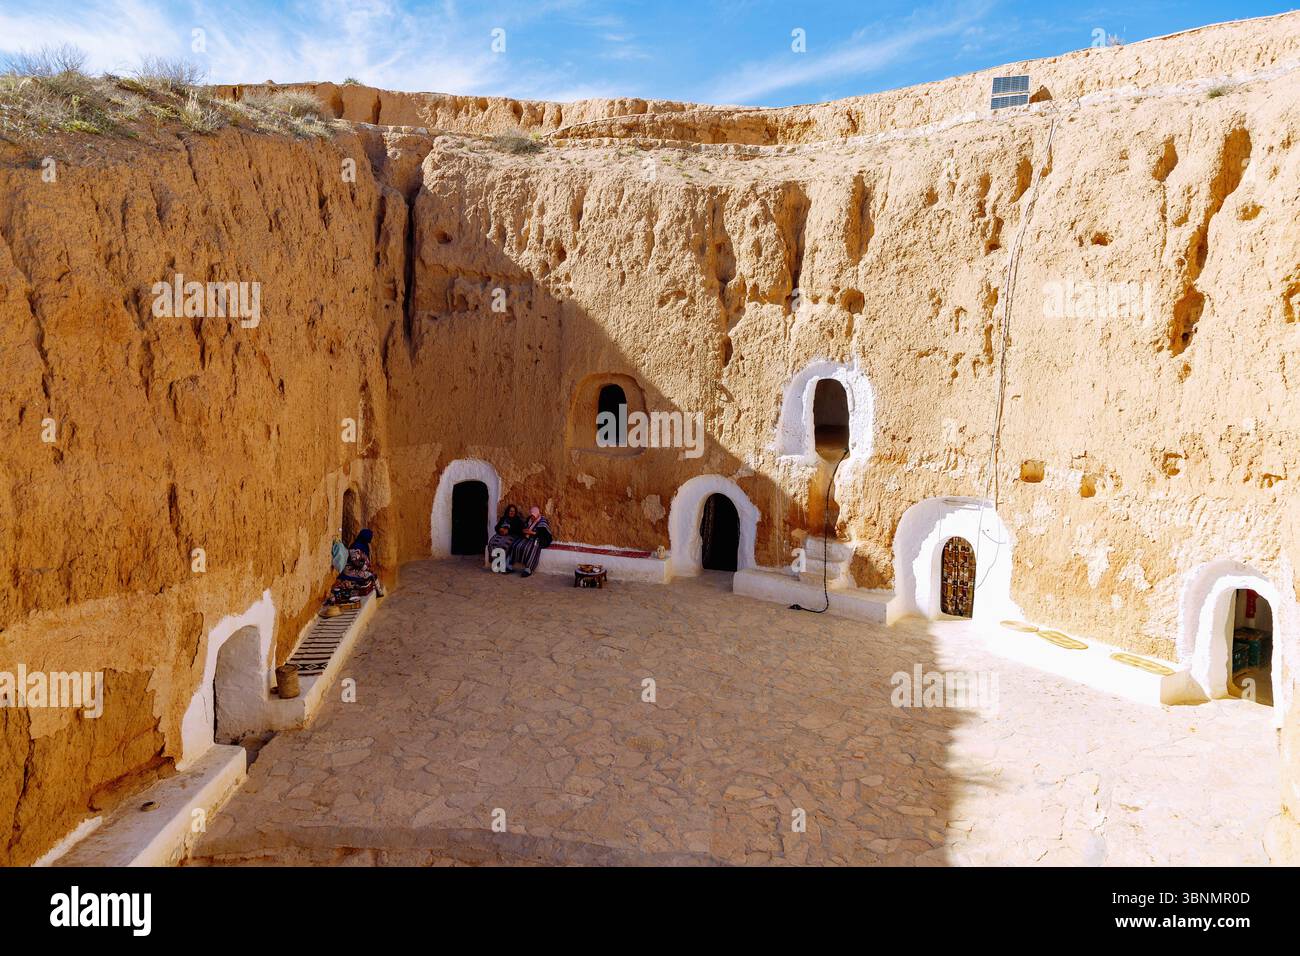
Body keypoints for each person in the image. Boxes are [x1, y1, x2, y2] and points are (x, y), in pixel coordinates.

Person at [508, 506, 552, 577]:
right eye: (532, 515)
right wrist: (524, 530)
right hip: (527, 537)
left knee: (530, 549)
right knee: (516, 545)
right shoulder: (529, 519)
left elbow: (543, 534)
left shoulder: (542, 521)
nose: (532, 517)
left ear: (537, 514)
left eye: (534, 516)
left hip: (537, 539)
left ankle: (528, 569)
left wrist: (532, 533)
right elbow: (525, 526)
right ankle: (509, 565)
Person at [486, 504, 524, 571]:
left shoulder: (517, 520)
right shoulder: (504, 518)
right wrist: (500, 529)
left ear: (515, 512)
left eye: (513, 511)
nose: (512, 512)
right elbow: (496, 527)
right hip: (501, 535)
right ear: (507, 511)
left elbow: (520, 530)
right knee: (492, 543)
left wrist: (508, 531)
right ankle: (496, 564)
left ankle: (502, 565)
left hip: (511, 536)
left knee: (503, 545)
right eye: (510, 511)